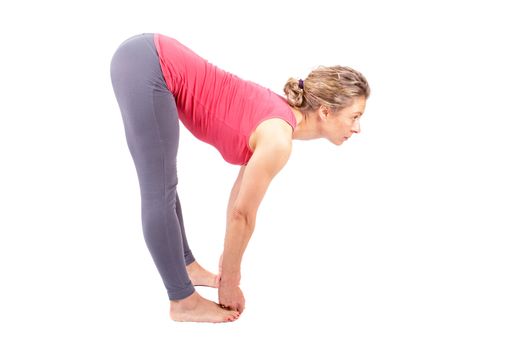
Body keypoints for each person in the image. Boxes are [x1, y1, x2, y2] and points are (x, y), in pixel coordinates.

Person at [110, 32, 370, 323]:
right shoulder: (277, 140)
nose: (358, 128)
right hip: (148, 64)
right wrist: (230, 281)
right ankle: (183, 301)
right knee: (158, 190)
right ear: (325, 111)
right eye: (355, 116)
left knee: (165, 186)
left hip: (146, 57)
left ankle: (185, 267)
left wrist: (228, 260)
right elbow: (242, 215)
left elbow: (239, 200)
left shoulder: (278, 121)